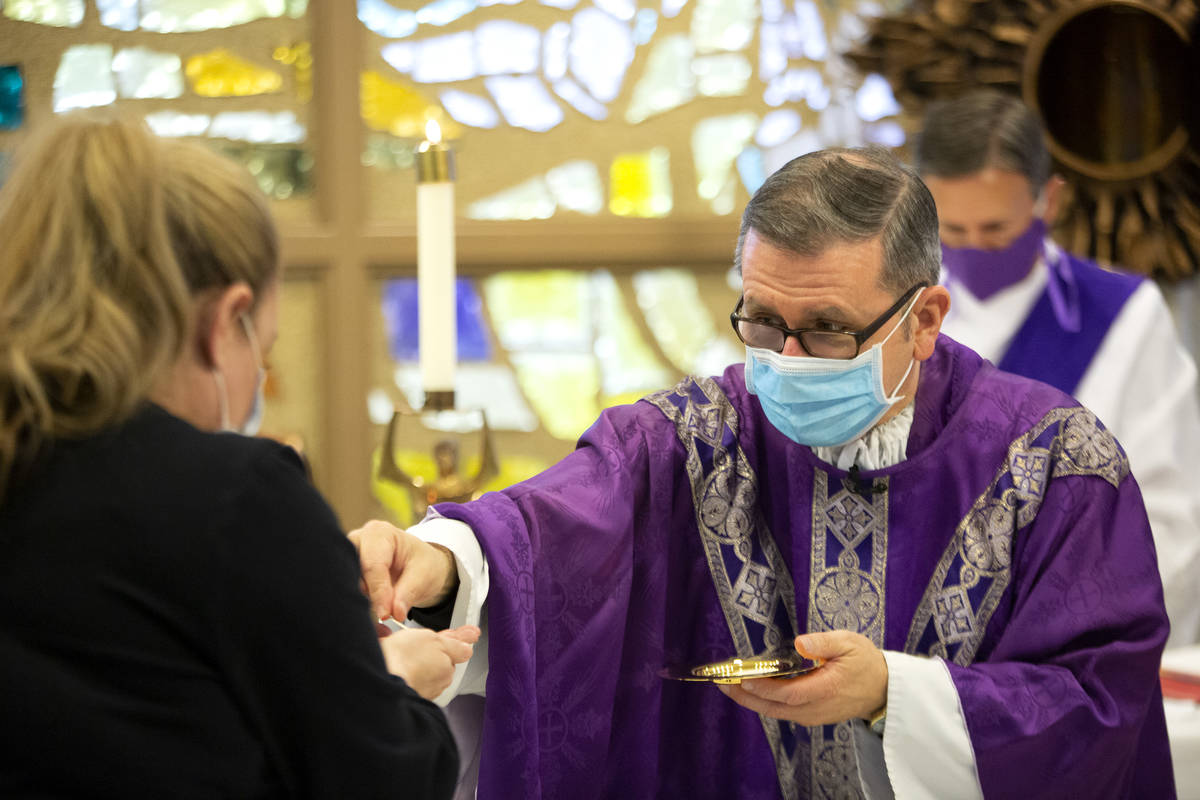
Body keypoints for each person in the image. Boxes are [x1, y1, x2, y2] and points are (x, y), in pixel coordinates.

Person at [352, 146, 1174, 798]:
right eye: (762, 319)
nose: (786, 359)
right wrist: (443, 562)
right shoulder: (700, 439)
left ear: (923, 320)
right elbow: (556, 527)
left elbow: (1102, 709)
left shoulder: (1057, 466)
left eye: (826, 329)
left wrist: (895, 692)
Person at [0, 115, 477, 797]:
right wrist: (393, 682)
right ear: (226, 321)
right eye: (268, 348)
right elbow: (385, 774)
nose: (260, 378)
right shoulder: (235, 501)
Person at [915, 90, 1200, 648]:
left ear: (1049, 199)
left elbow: (1171, 517)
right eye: (953, 231)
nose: (974, 246)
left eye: (996, 229)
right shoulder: (897, 316)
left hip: (1072, 645)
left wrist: (1066, 633)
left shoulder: (1124, 318)